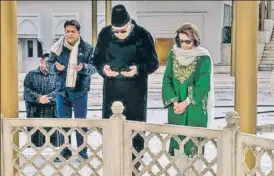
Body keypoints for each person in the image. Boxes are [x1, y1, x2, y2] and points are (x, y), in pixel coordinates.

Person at [92, 4, 159, 167]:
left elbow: (153, 63)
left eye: (123, 31)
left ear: (130, 25)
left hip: (135, 93)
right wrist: (104, 70)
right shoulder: (105, 34)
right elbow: (96, 59)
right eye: (116, 31)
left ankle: (134, 167)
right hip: (112, 92)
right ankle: (112, 166)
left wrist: (138, 70)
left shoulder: (143, 35)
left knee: (135, 134)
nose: (119, 35)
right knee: (111, 133)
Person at [162, 22, 214, 159]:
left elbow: (203, 84)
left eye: (187, 41)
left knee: (193, 151)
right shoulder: (173, 55)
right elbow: (167, 80)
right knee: (177, 151)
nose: (184, 45)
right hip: (176, 109)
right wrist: (174, 102)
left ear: (195, 40)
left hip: (194, 108)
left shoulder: (203, 58)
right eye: (181, 41)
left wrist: (185, 102)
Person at [47, 20, 96, 161]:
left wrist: (83, 68)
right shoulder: (57, 47)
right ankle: (64, 150)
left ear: (78, 32)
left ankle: (82, 151)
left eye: (72, 31)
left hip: (80, 91)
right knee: (63, 122)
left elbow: (94, 67)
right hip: (62, 91)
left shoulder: (87, 48)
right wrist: (56, 68)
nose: (69, 34)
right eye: (67, 31)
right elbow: (49, 65)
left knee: (81, 123)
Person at [23, 53, 57, 147]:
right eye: (47, 62)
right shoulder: (31, 74)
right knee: (34, 147)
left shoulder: (56, 75)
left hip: (52, 114)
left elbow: (60, 91)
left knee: (54, 146)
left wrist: (47, 98)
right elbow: (27, 92)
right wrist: (39, 98)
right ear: (41, 62)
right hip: (34, 113)